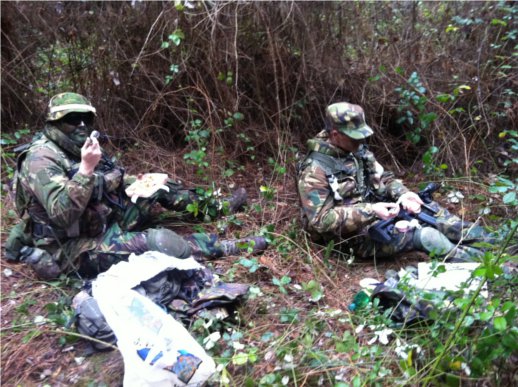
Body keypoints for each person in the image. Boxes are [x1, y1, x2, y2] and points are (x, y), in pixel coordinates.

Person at [5, 92, 267, 279]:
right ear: (54, 123)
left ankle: (216, 207)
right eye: (72, 119)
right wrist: (87, 169)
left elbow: (106, 179)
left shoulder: (73, 145)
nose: (81, 125)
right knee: (158, 241)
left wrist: (129, 183)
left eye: (86, 119)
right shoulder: (40, 158)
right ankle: (226, 246)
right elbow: (63, 214)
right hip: (72, 247)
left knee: (157, 185)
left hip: (102, 218)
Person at [296, 102, 491, 262]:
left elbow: (383, 178)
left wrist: (403, 194)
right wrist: (371, 211)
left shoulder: (356, 151)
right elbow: (320, 222)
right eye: (354, 137)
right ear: (335, 134)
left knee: (433, 213)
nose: (360, 141)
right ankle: (484, 266)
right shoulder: (315, 170)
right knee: (426, 237)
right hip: (352, 238)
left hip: (381, 216)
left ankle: (496, 244)